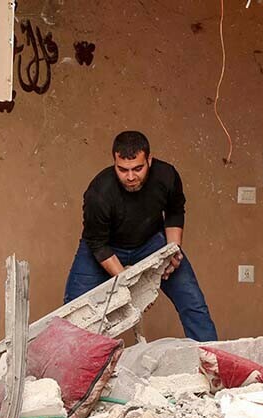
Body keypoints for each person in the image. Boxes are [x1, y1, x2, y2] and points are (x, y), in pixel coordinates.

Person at [64, 131, 217, 341]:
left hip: (150, 243)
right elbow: (97, 242)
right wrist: (127, 281)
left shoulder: (166, 176)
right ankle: (72, 371)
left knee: (193, 304)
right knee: (74, 313)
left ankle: (215, 365)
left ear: (149, 160)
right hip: (104, 247)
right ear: (114, 163)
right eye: (123, 170)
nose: (130, 177)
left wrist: (173, 250)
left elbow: (174, 211)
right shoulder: (99, 192)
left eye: (138, 168)